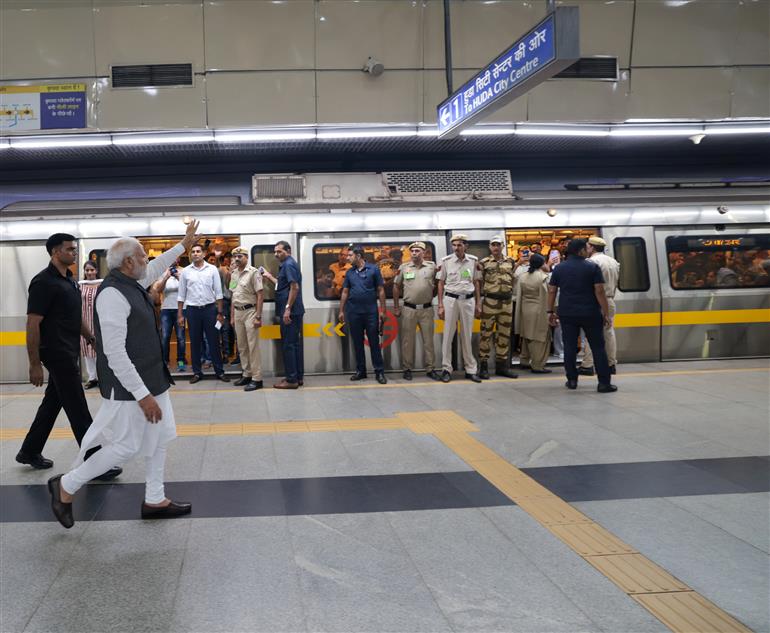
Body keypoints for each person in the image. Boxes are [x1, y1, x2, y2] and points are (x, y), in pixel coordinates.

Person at [46, 221, 201, 528]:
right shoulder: (113, 295)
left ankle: (155, 499)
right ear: (129, 262)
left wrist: (184, 244)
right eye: (143, 256)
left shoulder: (132, 282)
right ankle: (66, 485)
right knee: (125, 447)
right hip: (130, 388)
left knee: (159, 440)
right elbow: (114, 353)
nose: (147, 261)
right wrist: (143, 396)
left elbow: (157, 267)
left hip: (152, 381)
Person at [17, 233, 121, 480]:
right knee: (77, 407)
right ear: (55, 252)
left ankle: (29, 451)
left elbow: (75, 317)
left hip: (69, 349)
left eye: (75, 249)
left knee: (53, 403)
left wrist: (91, 338)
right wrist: (34, 363)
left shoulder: (70, 281)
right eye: (70, 250)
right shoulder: (43, 282)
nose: (74, 253)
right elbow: (32, 323)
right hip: (56, 353)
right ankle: (95, 461)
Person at [547, 239, 617, 393]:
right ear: (580, 251)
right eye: (586, 248)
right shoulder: (592, 267)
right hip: (590, 313)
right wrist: (605, 312)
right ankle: (604, 383)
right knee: (598, 347)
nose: (588, 251)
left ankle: (572, 380)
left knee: (570, 347)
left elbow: (551, 291)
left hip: (567, 313)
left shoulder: (559, 268)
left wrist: (550, 312)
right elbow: (599, 291)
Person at [177, 243, 230, 384]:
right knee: (195, 343)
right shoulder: (186, 272)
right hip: (192, 311)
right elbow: (181, 295)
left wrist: (220, 312)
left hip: (210, 310)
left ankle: (220, 371)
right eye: (193, 251)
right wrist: (180, 315)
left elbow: (219, 293)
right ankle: (197, 372)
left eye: (198, 251)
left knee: (214, 341)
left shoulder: (212, 270)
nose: (195, 253)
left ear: (204, 253)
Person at [338, 245, 387, 384]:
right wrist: (341, 310)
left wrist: (383, 310)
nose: (348, 258)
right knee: (357, 343)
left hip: (370, 312)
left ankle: (379, 371)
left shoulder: (373, 270)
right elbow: (345, 292)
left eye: (350, 255)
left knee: (374, 342)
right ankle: (361, 371)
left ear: (358, 256)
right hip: (353, 312)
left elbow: (381, 290)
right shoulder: (350, 273)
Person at [437, 234, 482, 383]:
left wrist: (478, 303)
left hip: (468, 300)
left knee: (467, 336)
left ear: (466, 246)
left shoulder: (473, 261)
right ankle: (446, 369)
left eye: (460, 245)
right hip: (450, 300)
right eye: (454, 245)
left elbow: (476, 283)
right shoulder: (446, 262)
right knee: (448, 335)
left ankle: (470, 369)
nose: (456, 248)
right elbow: (440, 283)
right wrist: (440, 305)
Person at [392, 241, 439, 381]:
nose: (414, 253)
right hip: (409, 309)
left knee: (429, 341)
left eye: (417, 251)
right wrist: (396, 306)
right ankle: (407, 368)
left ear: (423, 253)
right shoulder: (404, 267)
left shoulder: (432, 267)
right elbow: (396, 286)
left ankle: (430, 368)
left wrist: (432, 297)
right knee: (407, 341)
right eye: (412, 251)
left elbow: (438, 284)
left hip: (427, 309)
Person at [265, 241, 305, 389]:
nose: (276, 254)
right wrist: (269, 276)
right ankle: (297, 377)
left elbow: (294, 287)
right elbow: (283, 285)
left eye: (279, 251)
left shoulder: (288, 265)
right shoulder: (287, 265)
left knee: (289, 345)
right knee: (294, 345)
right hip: (293, 311)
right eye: (275, 252)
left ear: (288, 251)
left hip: (291, 313)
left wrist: (287, 308)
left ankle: (291, 380)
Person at [478, 236, 518, 379]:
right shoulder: (484, 263)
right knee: (486, 334)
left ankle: (502, 366)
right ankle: (483, 366)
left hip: (506, 302)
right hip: (490, 301)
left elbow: (513, 279)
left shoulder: (511, 262)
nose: (495, 247)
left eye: (498, 245)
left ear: (503, 246)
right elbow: (479, 283)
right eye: (493, 245)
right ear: (490, 247)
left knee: (504, 334)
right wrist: (479, 302)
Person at [579, 236, 621, 376]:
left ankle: (588, 365)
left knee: (592, 333)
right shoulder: (613, 262)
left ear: (591, 247)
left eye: (588, 246)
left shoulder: (591, 262)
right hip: (610, 300)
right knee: (609, 333)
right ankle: (611, 364)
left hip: (595, 301)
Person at [228, 246, 264, 391]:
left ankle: (257, 378)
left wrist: (258, 316)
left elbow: (260, 295)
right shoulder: (234, 273)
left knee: (252, 346)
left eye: (240, 256)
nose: (237, 259)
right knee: (242, 346)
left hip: (250, 312)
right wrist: (232, 316)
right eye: (235, 256)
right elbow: (233, 296)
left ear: (246, 257)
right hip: (237, 313)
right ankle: (247, 374)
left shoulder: (253, 273)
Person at [514, 253, 552, 374]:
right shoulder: (543, 277)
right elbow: (547, 296)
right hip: (539, 311)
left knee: (526, 336)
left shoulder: (523, 276)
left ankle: (524, 360)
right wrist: (552, 312)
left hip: (525, 309)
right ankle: (537, 365)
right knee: (540, 338)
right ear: (542, 264)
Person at [153, 261, 187, 372]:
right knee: (165, 337)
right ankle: (165, 361)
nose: (173, 259)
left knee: (181, 337)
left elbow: (187, 288)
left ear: (179, 258)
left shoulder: (183, 271)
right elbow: (158, 290)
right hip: (166, 309)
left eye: (176, 257)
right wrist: (166, 277)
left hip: (180, 309)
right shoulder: (163, 272)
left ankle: (181, 361)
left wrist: (179, 277)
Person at [79, 261, 101, 389]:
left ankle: (101, 376)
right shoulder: (80, 285)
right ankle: (92, 378)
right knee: (87, 351)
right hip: (84, 321)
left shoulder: (102, 285)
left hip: (98, 321)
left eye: (91, 270)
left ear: (96, 271)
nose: (89, 273)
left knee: (99, 349)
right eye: (87, 270)